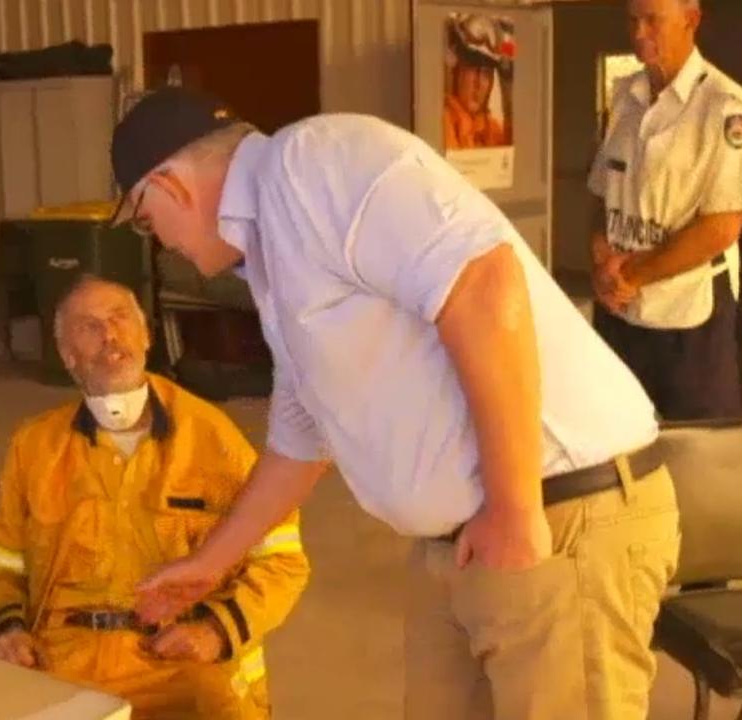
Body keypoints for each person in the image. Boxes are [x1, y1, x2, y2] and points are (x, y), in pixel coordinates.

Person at [109, 87, 679, 720]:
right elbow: (302, 433)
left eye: (144, 218)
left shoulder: (316, 164)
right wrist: (212, 563)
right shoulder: (271, 252)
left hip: (555, 514)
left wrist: (515, 510)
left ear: (171, 186)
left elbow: (483, 284)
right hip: (465, 541)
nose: (157, 241)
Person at [0, 276, 309, 719]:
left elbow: (282, 560)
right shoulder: (33, 447)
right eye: (89, 327)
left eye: (119, 319)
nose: (110, 337)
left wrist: (215, 632)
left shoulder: (214, 439)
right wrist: (6, 628)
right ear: (67, 355)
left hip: (181, 657)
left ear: (146, 334)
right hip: (65, 656)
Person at [589, 0, 742, 420]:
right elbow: (602, 191)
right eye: (632, 20)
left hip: (688, 322)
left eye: (652, 21)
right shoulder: (624, 96)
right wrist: (603, 260)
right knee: (622, 440)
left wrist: (631, 275)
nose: (639, 33)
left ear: (691, 21)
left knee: (694, 457)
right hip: (621, 313)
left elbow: (722, 225)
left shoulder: (724, 106)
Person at [443, 14, 513, 150]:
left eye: (487, 73)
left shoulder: (492, 129)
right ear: (457, 70)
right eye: (473, 69)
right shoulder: (442, 122)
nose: (479, 83)